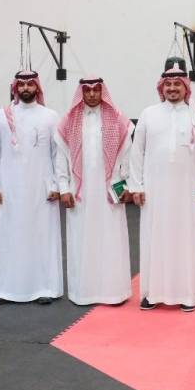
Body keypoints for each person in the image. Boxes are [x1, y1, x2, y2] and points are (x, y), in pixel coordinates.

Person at [129, 62, 195, 312]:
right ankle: (152, 293)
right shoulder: (149, 114)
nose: (173, 88)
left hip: (188, 191)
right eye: (168, 84)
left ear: (186, 87)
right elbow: (137, 151)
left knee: (186, 240)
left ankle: (187, 295)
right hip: (154, 190)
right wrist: (136, 185)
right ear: (161, 87)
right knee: (153, 239)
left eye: (178, 84)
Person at [54, 77, 135, 306]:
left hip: (110, 191)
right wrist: (63, 188)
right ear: (81, 93)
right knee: (81, 241)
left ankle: (114, 292)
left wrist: (125, 187)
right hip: (79, 193)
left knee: (112, 240)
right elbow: (61, 159)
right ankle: (83, 292)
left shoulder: (118, 120)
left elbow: (127, 159)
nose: (91, 94)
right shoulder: (68, 121)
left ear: (102, 92)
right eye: (87, 90)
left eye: (96, 90)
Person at [0, 70, 62, 304]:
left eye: (30, 84)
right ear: (15, 88)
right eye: (21, 85)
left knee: (42, 237)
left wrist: (56, 185)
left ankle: (44, 288)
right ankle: (5, 290)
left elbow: (57, 154)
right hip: (9, 189)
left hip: (41, 189)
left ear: (37, 87)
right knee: (10, 237)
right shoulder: (1, 116)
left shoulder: (50, 116)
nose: (26, 88)